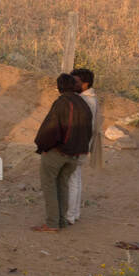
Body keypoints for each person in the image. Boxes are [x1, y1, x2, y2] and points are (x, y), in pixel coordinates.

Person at [33, 73, 92, 232]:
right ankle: (62, 221)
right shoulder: (83, 103)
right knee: (63, 185)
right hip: (76, 153)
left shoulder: (62, 103)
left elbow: (50, 129)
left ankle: (52, 223)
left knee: (50, 186)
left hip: (59, 152)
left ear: (59, 87)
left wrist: (42, 146)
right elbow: (88, 131)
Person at [67, 68, 102, 225]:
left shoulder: (86, 101)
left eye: (76, 82)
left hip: (78, 143)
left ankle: (69, 215)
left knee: (72, 179)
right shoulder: (90, 98)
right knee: (76, 178)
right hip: (83, 144)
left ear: (85, 83)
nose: (73, 84)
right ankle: (74, 213)